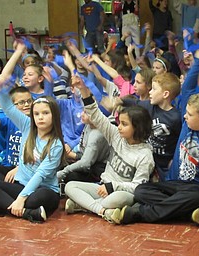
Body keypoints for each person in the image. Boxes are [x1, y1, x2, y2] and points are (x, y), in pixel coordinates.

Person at [105, 49, 199, 225]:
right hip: (176, 184)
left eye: (190, 115)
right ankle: (188, 213)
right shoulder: (188, 126)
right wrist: (198, 61)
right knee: (141, 190)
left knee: (192, 197)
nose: (185, 117)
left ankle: (140, 214)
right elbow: (186, 89)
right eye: (186, 113)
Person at [0, 40, 66, 223]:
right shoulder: (27, 125)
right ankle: (28, 213)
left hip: (44, 190)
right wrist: (0, 86)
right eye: (37, 114)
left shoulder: (56, 143)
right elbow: (7, 105)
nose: (40, 117)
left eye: (45, 113)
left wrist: (21, 199)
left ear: (54, 116)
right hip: (21, 185)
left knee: (40, 198)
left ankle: (2, 206)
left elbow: (41, 175)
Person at [64, 76, 155, 222]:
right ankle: (101, 210)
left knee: (115, 199)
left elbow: (138, 187)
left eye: (124, 124)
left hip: (121, 192)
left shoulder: (145, 155)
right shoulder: (116, 136)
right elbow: (96, 115)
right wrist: (83, 89)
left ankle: (83, 205)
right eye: (120, 123)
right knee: (70, 186)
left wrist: (113, 186)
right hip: (101, 187)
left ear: (137, 128)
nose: (119, 127)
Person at [118, 72, 181, 181]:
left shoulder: (175, 117)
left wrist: (174, 159)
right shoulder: (149, 106)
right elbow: (135, 102)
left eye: (154, 89)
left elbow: (180, 140)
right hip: (146, 156)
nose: (150, 92)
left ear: (165, 94)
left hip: (164, 164)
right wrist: (119, 101)